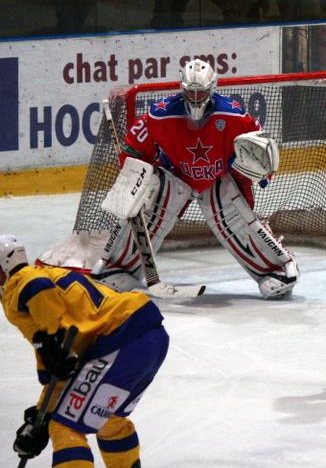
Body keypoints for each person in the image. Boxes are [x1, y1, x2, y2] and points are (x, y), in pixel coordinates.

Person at [92, 59, 299, 299]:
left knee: (234, 217)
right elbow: (134, 148)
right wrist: (135, 176)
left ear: (213, 87)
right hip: (176, 176)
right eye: (191, 91)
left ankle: (276, 270)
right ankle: (119, 269)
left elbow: (261, 147)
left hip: (217, 179)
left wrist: (262, 173)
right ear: (182, 88)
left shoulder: (232, 114)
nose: (197, 97)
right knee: (150, 207)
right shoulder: (160, 115)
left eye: (202, 91)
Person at [1, 235, 168, 468]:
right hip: (148, 334)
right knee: (108, 417)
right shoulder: (49, 274)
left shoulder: (20, 283)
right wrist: (41, 413)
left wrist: (50, 335)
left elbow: (37, 291)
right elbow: (63, 368)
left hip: (120, 341)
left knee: (66, 426)